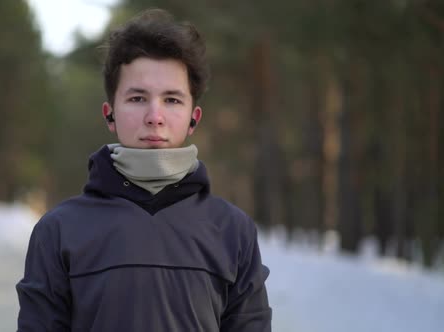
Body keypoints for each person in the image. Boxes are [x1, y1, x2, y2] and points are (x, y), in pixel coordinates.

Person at [16, 8, 272, 332]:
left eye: (172, 100)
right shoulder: (58, 231)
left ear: (194, 118)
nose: (155, 116)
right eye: (138, 98)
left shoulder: (233, 231)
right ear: (109, 115)